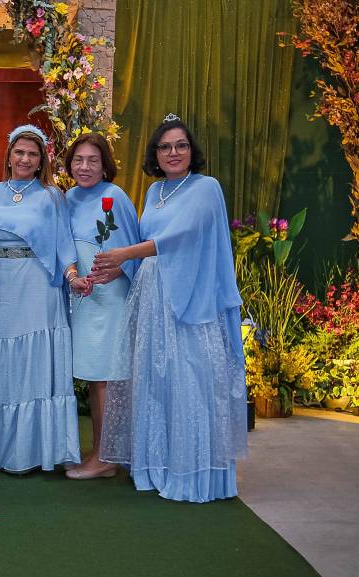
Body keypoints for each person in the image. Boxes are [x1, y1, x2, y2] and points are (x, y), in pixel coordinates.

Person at [93, 114, 247, 503]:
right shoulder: (154, 191)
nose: (173, 152)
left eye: (181, 145)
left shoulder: (206, 187)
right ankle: (156, 467)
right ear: (155, 154)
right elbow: (148, 241)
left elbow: (182, 235)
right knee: (154, 379)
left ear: (192, 151)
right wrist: (118, 266)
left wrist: (125, 254)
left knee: (190, 378)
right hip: (153, 295)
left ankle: (193, 475)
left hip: (190, 296)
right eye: (165, 147)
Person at [0, 124, 88, 474]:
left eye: (32, 154)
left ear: (41, 160)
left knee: (37, 361)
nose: (25, 159)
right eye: (19, 152)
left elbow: (63, 243)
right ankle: (0, 449)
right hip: (2, 288)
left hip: (39, 286)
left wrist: (72, 277)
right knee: (1, 363)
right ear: (9, 156)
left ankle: (39, 449)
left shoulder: (52, 196)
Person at [61, 133, 139, 480]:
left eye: (93, 160)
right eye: (78, 160)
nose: (85, 167)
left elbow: (135, 248)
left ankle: (107, 456)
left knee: (106, 375)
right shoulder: (67, 198)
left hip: (110, 298)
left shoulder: (115, 196)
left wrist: (116, 270)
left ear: (105, 165)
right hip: (84, 296)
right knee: (95, 377)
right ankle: (101, 452)